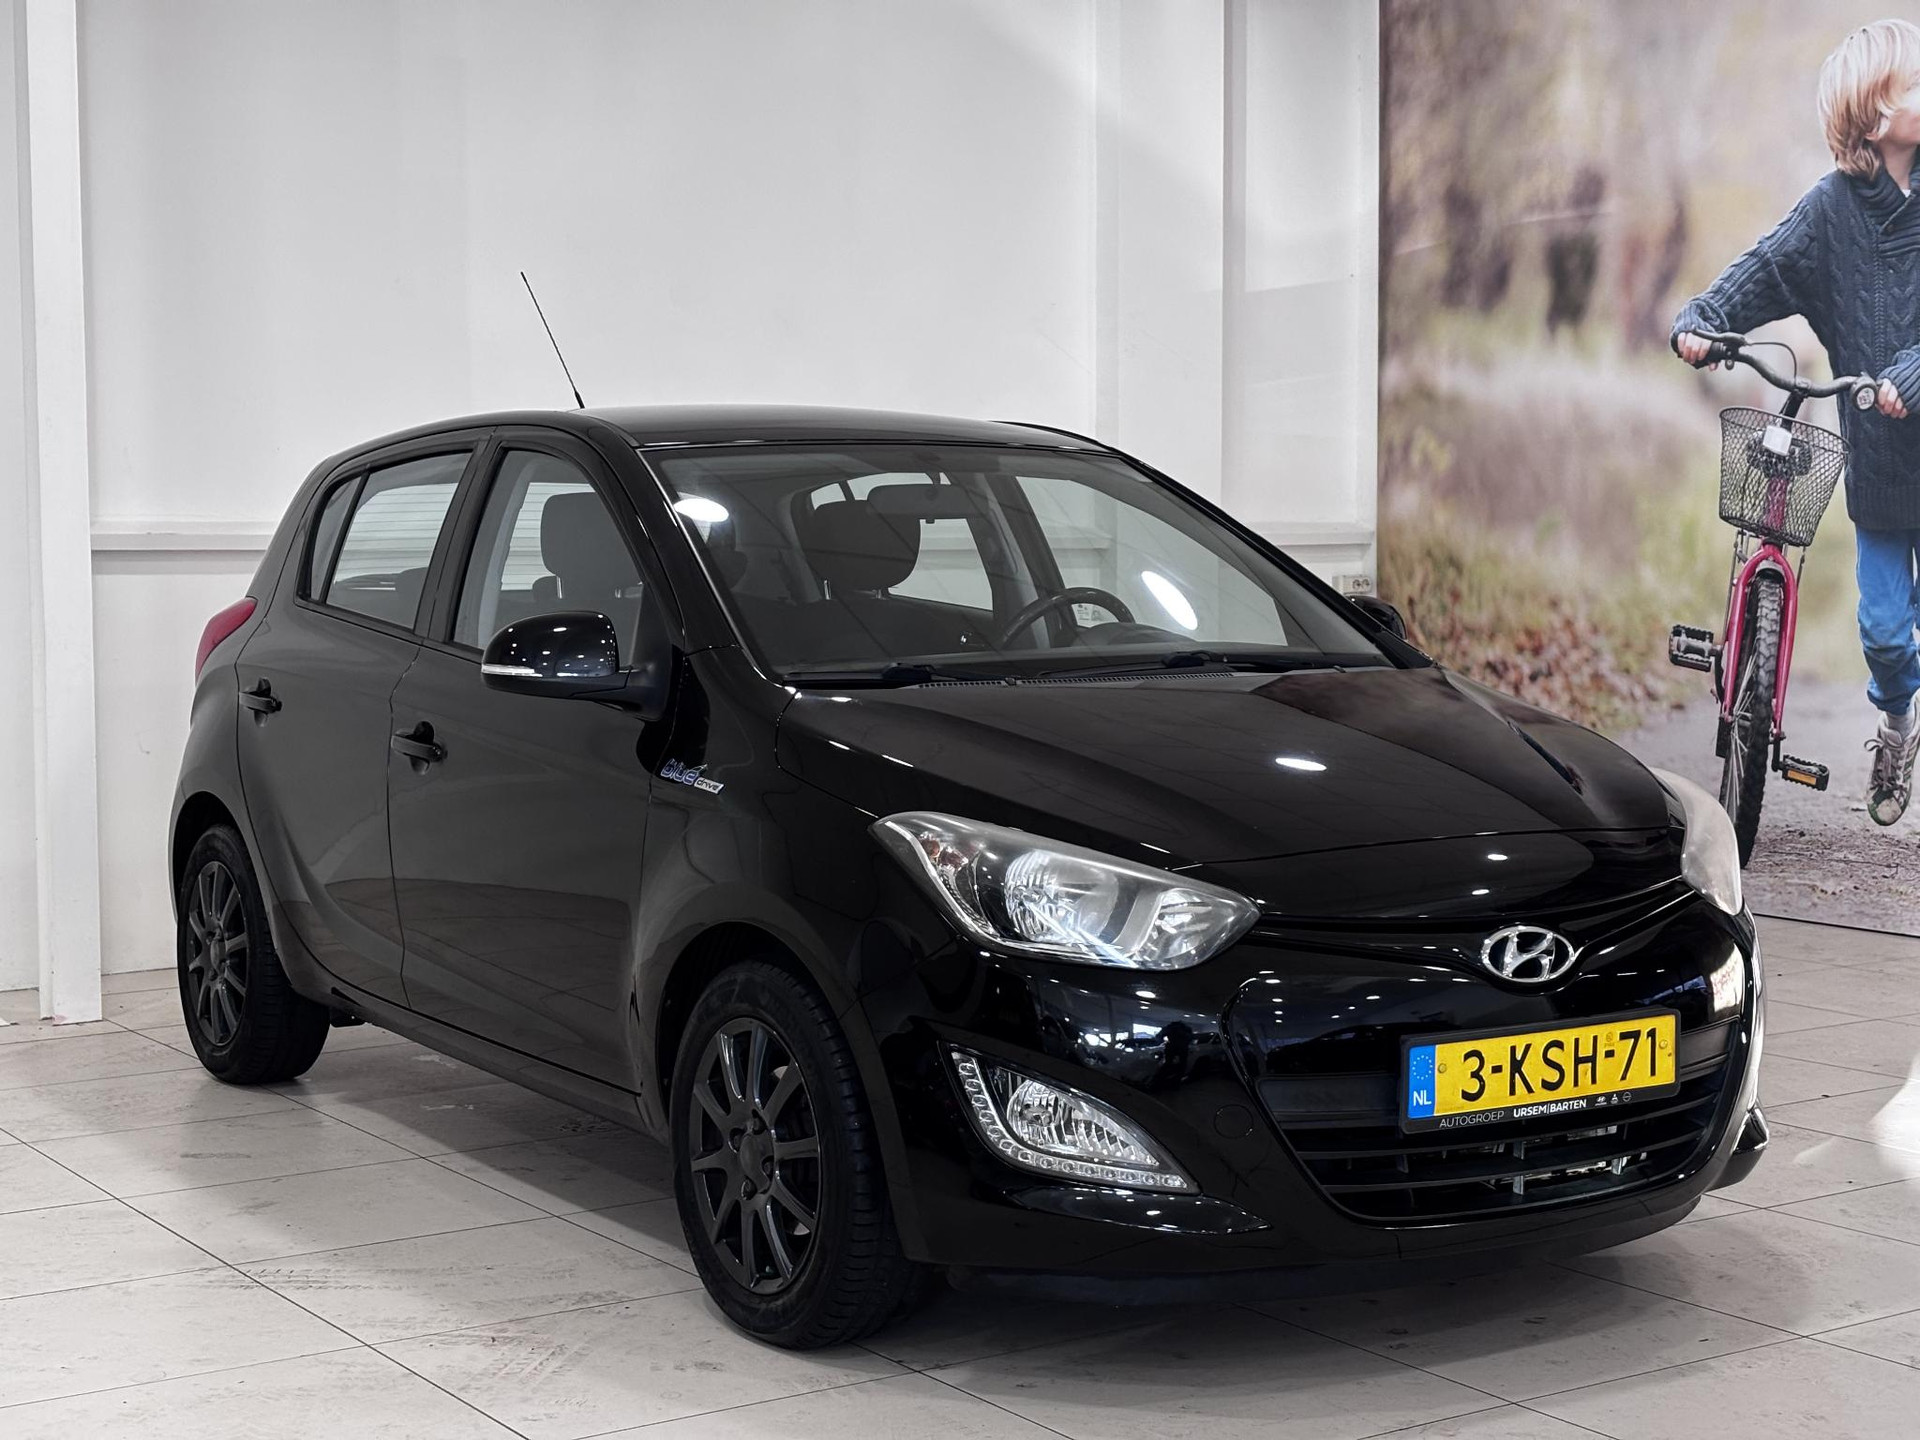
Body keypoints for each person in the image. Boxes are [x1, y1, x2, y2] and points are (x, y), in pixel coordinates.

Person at [1673, 18, 1920, 826]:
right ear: (1873, 114)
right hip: (1882, 469)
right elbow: (1766, 269)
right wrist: (1703, 320)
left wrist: (1910, 373)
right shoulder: (1830, 210)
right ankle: (1897, 724)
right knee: (1885, 633)